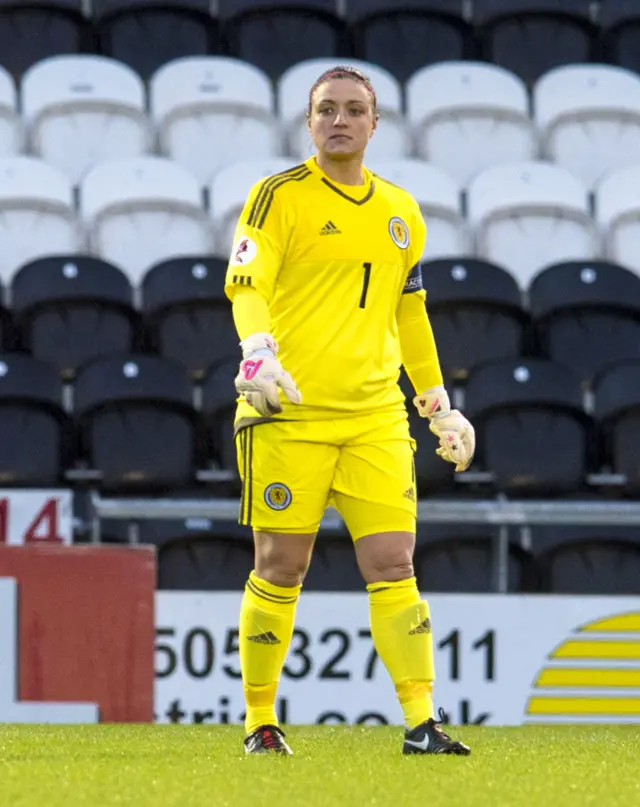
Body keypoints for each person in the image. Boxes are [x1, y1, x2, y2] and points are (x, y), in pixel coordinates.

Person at [224, 65, 475, 756]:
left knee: (395, 563)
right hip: (290, 412)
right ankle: (259, 720)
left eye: (354, 110)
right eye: (326, 109)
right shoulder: (277, 198)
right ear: (309, 121)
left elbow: (411, 309)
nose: (339, 120)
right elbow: (245, 282)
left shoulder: (402, 210)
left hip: (375, 417)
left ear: (374, 123)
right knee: (281, 565)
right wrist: (257, 351)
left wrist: (437, 403)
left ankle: (422, 722)